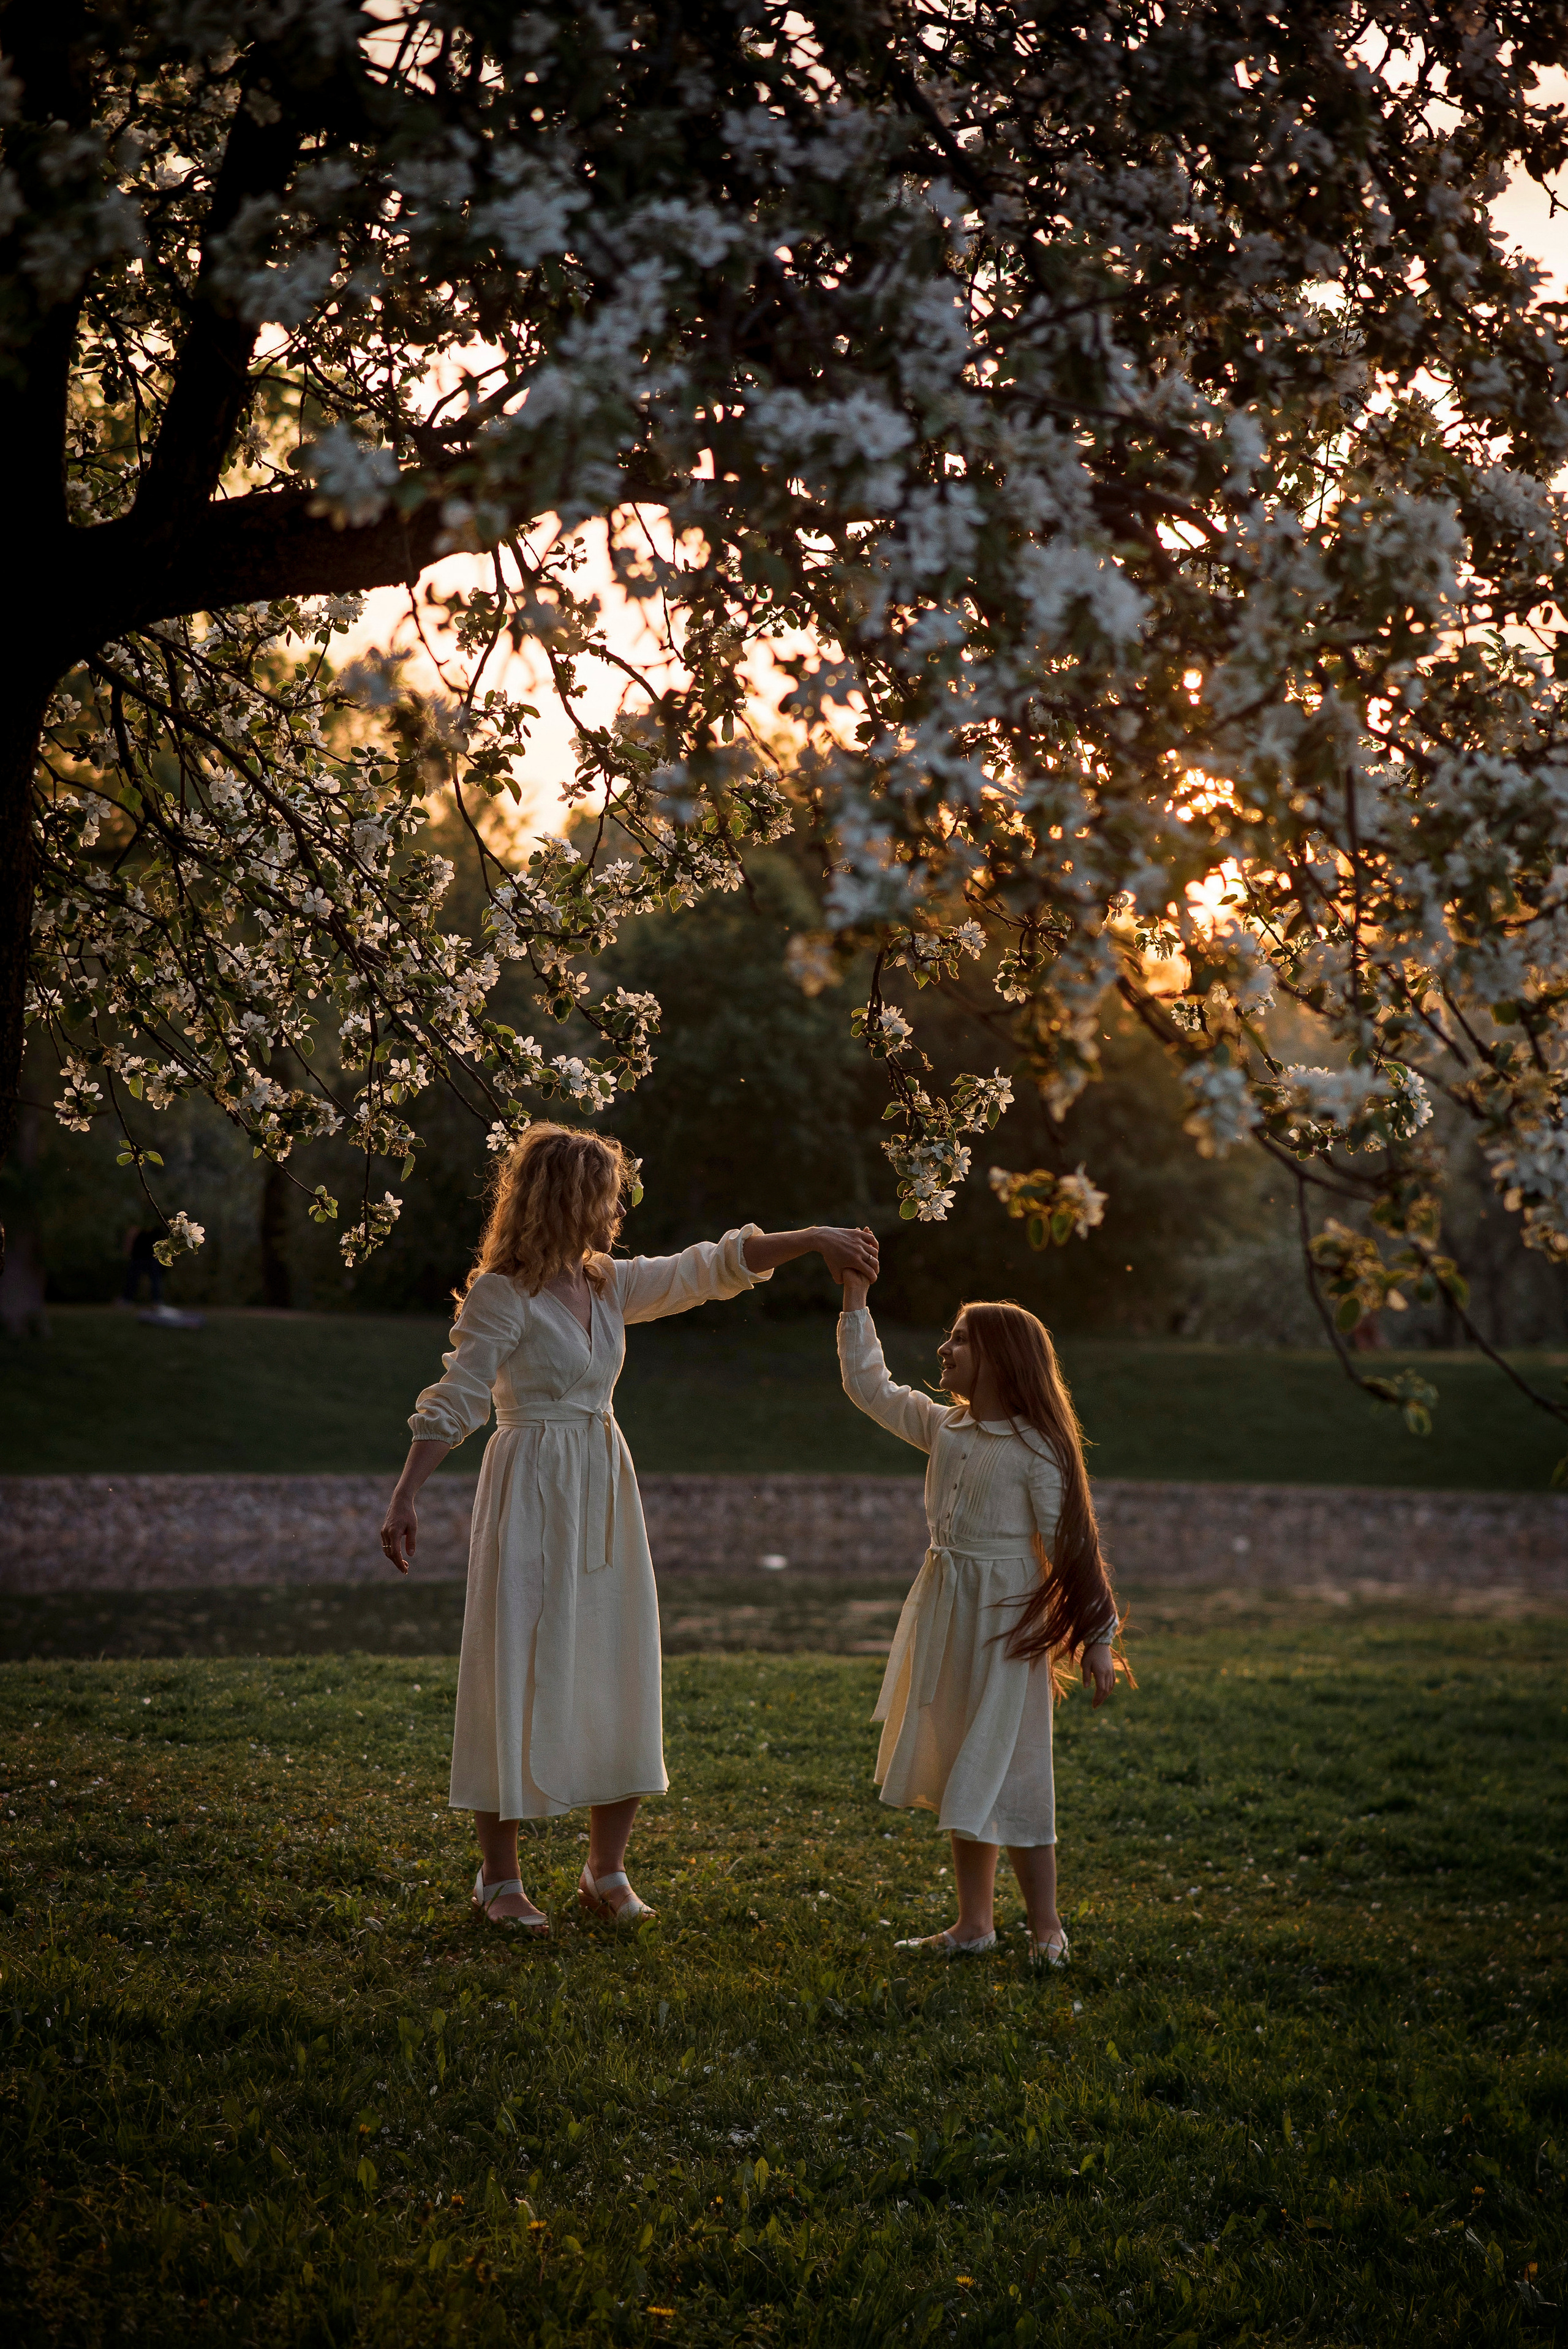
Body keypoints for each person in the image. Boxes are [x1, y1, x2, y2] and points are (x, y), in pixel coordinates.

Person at [382, 1121, 878, 1937]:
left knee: (618, 1657)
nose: (617, 1211)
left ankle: (604, 1870)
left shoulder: (608, 1284)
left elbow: (708, 1269)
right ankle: (498, 1877)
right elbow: (459, 1393)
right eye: (606, 1194)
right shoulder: (504, 1292)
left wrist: (814, 1237)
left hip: (604, 1486)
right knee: (514, 1664)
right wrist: (407, 1493)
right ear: (570, 1198)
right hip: (530, 1485)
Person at [837, 1269, 1125, 1966]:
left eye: (960, 1339)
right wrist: (854, 1303)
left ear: (999, 1358)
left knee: (1016, 1765)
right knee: (962, 1760)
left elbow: (1070, 1545)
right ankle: (973, 1925)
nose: (944, 1349)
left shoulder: (1035, 1452)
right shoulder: (947, 1430)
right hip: (947, 1610)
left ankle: (1046, 1925)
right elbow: (869, 1387)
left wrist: (1096, 1634)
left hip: (1004, 1625)